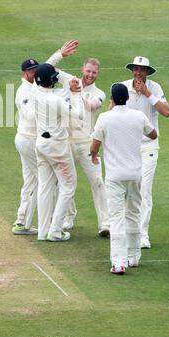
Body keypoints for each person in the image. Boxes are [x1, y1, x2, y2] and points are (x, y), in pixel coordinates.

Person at [12, 40, 79, 235]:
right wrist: (52, 104)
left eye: (36, 70)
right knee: (49, 182)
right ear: (25, 74)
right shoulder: (25, 91)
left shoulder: (35, 87)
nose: (35, 73)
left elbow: (46, 69)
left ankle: (23, 222)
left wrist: (60, 54)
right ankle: (53, 225)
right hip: (30, 139)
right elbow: (31, 116)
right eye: (31, 71)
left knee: (32, 181)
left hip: (34, 140)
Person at [90, 83, 157, 274]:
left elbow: (94, 146)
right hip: (135, 173)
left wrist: (94, 155)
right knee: (134, 213)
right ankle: (134, 257)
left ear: (112, 99)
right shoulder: (138, 116)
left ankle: (119, 262)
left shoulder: (105, 118)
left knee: (117, 217)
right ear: (127, 98)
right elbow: (153, 134)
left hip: (115, 176)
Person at [49, 57, 110, 236]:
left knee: (98, 181)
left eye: (94, 72)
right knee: (64, 181)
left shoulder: (99, 92)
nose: (90, 75)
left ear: (98, 74)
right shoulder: (70, 80)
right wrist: (60, 54)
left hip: (86, 142)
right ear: (83, 69)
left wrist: (77, 92)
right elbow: (48, 68)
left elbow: (92, 106)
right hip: (66, 141)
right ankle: (68, 216)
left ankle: (105, 224)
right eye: (88, 71)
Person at [122, 56, 169, 248]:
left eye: (143, 70)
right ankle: (128, 231)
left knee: (145, 190)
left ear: (147, 72)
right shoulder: (123, 87)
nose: (139, 73)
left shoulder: (155, 88)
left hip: (149, 146)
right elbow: (112, 111)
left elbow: (166, 112)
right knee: (128, 190)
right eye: (136, 69)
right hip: (127, 147)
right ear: (132, 70)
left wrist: (147, 93)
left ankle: (143, 235)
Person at [32, 63, 83, 241]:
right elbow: (79, 114)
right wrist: (75, 94)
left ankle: (42, 231)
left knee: (45, 187)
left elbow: (45, 71)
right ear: (52, 80)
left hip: (41, 144)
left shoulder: (34, 91)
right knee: (68, 186)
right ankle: (55, 231)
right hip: (57, 147)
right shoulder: (56, 101)